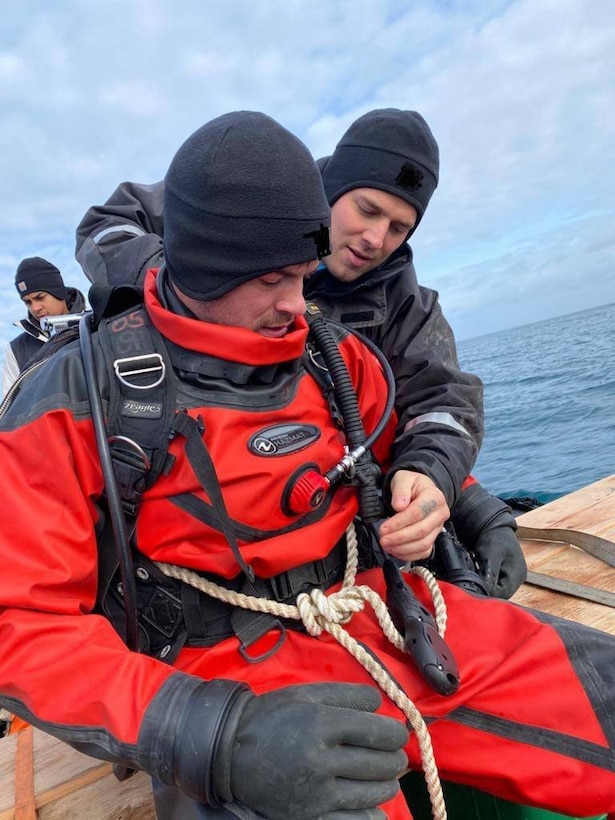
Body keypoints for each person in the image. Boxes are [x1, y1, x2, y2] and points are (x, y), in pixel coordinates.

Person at [0, 110, 614, 820]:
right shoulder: (72, 405)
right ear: (203, 262)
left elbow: (383, 448)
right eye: (271, 280)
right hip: (219, 685)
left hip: (386, 618)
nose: (298, 302)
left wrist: (466, 502)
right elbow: (22, 624)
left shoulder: (336, 356)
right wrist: (218, 738)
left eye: (302, 273)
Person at [74, 109, 525, 599]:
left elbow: (438, 405)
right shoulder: (252, 193)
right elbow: (106, 224)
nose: (376, 240)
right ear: (330, 188)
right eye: (367, 210)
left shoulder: (405, 303)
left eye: (399, 228)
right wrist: (190, 275)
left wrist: (464, 499)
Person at [2, 256, 86, 397]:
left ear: (58, 292)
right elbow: (8, 408)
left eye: (40, 298)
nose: (35, 308)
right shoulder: (16, 349)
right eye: (28, 302)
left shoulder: (95, 327)